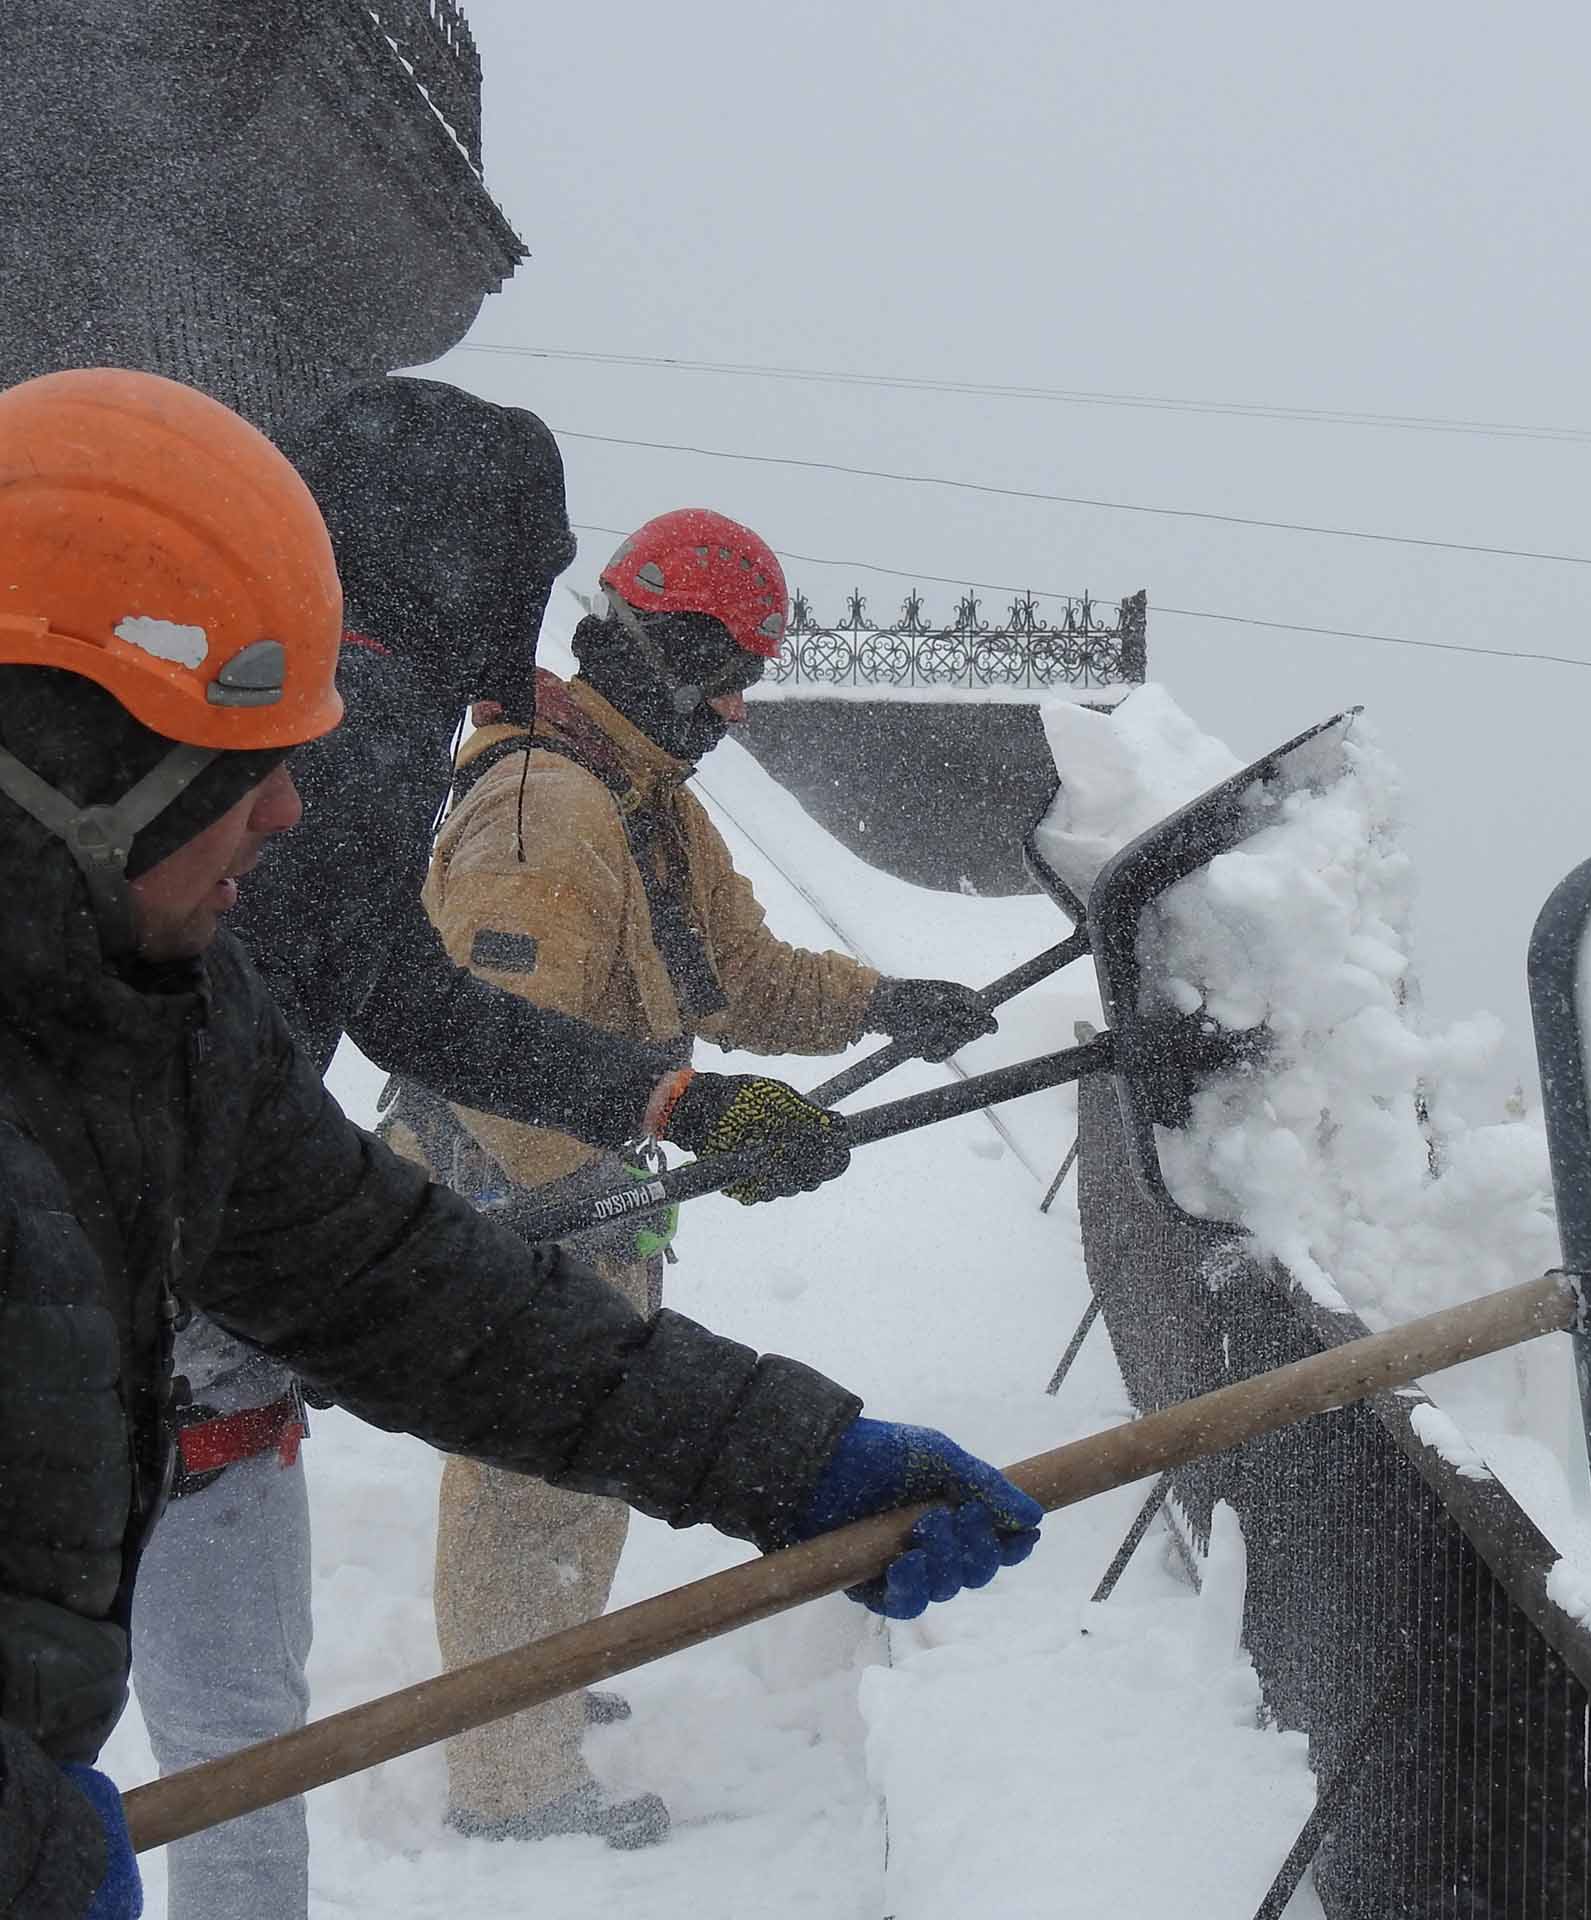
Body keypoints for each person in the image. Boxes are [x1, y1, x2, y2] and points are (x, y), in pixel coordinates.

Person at [0, 367, 1039, 1920]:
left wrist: (792, 1459)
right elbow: (456, 1028)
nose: (296, 820)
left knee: (237, 1734)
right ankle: (510, 1774)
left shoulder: (179, 1024)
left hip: (198, 1401)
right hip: (414, 1257)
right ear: (77, 755)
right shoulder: (528, 809)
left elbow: (409, 1281)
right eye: (252, 759)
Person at [402, 502, 1000, 1849]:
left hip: (598, 1196)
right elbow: (499, 1067)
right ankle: (507, 1782)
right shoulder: (540, 816)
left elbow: (743, 975)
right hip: (514, 1201)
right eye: (723, 674)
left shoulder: (645, 807)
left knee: (587, 1452)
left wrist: (881, 1001)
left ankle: (545, 1678)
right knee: (523, 1479)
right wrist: (662, 1144)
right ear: (653, 648)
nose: (736, 710)